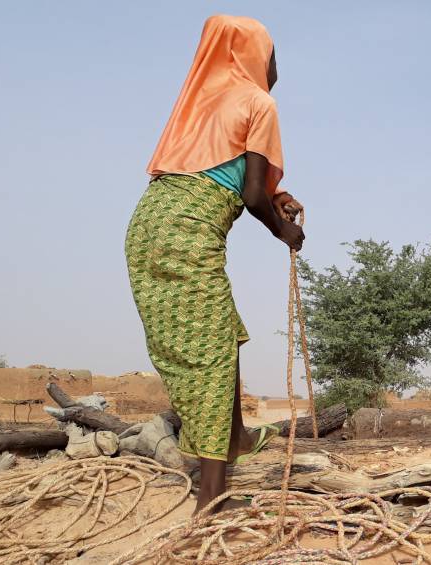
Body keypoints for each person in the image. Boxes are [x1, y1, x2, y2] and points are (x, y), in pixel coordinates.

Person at [125, 15, 305, 514]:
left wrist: (279, 196)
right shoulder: (259, 103)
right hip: (186, 233)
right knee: (208, 353)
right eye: (272, 53)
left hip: (148, 226)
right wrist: (284, 230)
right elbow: (249, 194)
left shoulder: (202, 102)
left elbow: (219, 171)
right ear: (253, 55)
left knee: (221, 330)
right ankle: (211, 499)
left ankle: (239, 437)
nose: (275, 64)